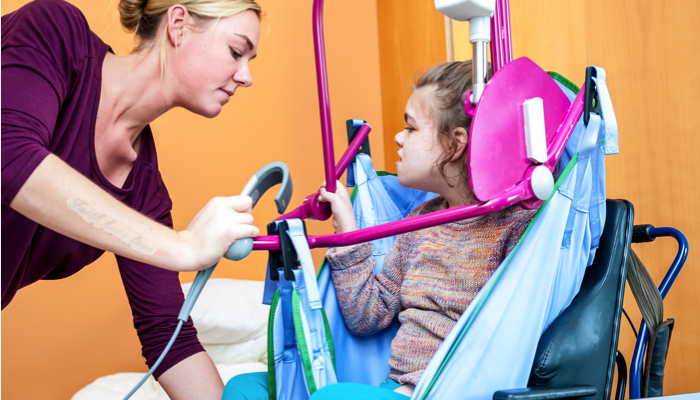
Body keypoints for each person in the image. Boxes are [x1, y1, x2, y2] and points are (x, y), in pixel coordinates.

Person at [222, 60, 538, 399]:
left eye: (412, 128)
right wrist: (348, 234)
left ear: (455, 144)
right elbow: (367, 317)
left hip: (445, 392)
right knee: (245, 389)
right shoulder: (421, 222)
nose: (399, 138)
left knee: (334, 397)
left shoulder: (517, 227)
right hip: (393, 390)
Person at [1, 0, 262, 398]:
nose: (246, 77)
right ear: (178, 24)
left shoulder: (145, 193)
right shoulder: (55, 31)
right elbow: (10, 156)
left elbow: (169, 338)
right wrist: (181, 246)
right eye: (235, 51)